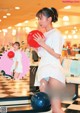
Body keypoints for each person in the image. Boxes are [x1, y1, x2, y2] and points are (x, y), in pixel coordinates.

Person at [33, 7, 66, 113]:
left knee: (56, 108)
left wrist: (42, 44)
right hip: (43, 69)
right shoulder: (43, 35)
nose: (39, 21)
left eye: (41, 18)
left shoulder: (56, 33)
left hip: (53, 70)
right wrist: (36, 47)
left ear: (49, 19)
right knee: (46, 108)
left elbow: (57, 54)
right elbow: (42, 54)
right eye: (38, 19)